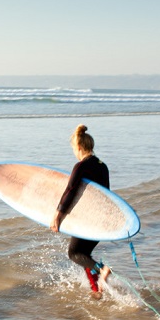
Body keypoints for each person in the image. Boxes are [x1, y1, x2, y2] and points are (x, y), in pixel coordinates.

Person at [50, 124, 113, 299]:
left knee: (74, 254)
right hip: (102, 218)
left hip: (88, 219)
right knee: (84, 255)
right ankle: (96, 289)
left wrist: (58, 215)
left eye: (73, 149)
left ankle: (102, 269)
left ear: (78, 147)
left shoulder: (81, 166)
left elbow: (70, 191)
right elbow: (107, 195)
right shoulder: (103, 166)